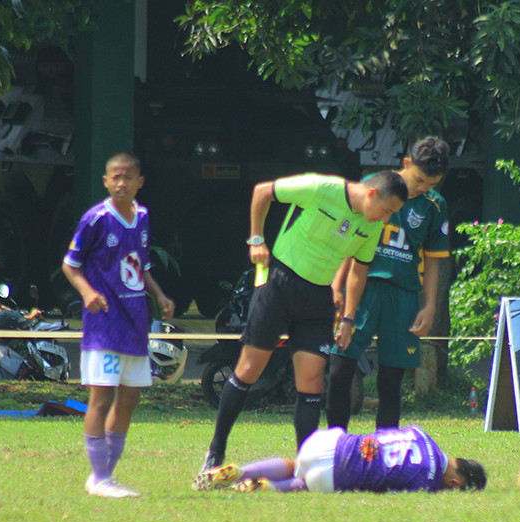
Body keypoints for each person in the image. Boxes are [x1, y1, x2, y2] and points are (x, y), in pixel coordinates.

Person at [196, 170, 409, 477]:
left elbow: (359, 271)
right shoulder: (321, 188)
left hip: (319, 300)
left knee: (311, 383)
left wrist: (348, 318)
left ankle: (306, 469)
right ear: (372, 194)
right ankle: (215, 451)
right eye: (387, 211)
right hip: (279, 285)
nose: (386, 219)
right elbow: (262, 191)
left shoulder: (371, 225)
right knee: (248, 370)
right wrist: (256, 240)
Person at [63, 152, 175, 499]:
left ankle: (106, 477)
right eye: (115, 177)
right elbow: (70, 265)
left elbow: (140, 265)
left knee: (130, 399)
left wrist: (159, 295)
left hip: (134, 323)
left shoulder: (142, 217)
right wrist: (87, 292)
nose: (121, 183)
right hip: (104, 325)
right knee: (101, 398)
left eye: (128, 177)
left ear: (140, 182)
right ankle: (100, 478)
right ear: (105, 181)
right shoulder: (95, 218)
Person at [326, 137, 452, 431]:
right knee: (340, 370)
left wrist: (430, 306)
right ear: (407, 163)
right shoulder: (374, 185)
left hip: (403, 293)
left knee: (390, 380)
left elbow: (433, 260)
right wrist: (335, 283)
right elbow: (348, 238)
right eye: (419, 180)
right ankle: (335, 445)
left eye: (431, 184)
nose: (422, 188)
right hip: (362, 287)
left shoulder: (435, 205)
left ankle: (386, 449)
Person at [194, 425, 487, 493]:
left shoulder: (420, 432)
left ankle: (243, 471)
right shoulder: (426, 482)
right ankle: (266, 487)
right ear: (455, 482)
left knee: (295, 465)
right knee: (305, 485)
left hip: (325, 442)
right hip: (332, 475)